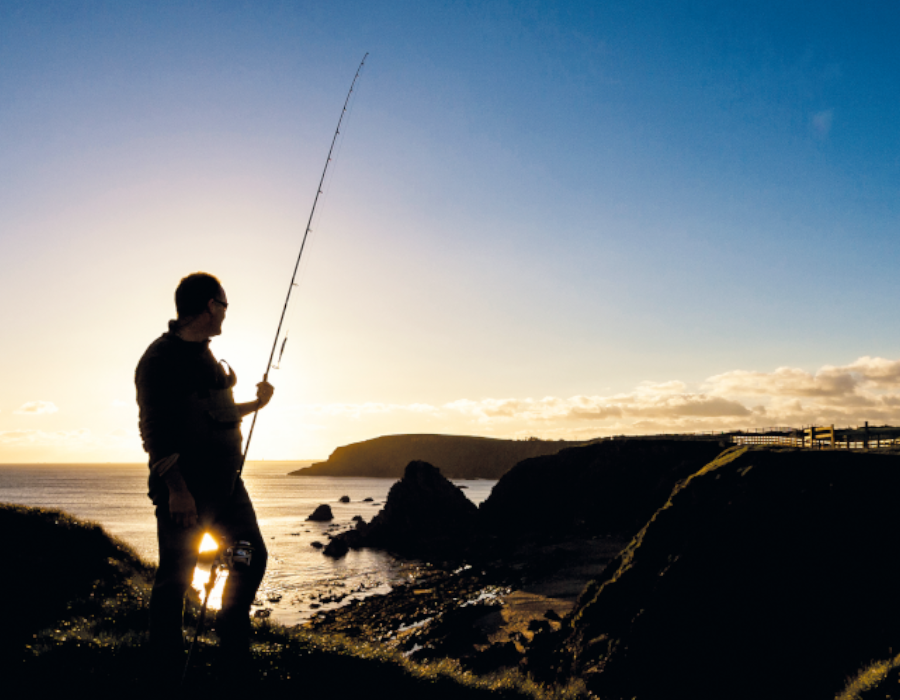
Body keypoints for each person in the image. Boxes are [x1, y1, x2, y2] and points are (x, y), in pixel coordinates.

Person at [135, 272, 274, 681]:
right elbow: (154, 433)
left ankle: (230, 636)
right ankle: (166, 668)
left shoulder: (207, 355)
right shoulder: (159, 360)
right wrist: (177, 491)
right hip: (187, 492)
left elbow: (218, 412)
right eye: (225, 305)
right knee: (174, 578)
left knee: (251, 555)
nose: (226, 312)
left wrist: (255, 404)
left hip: (229, 486)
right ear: (210, 306)